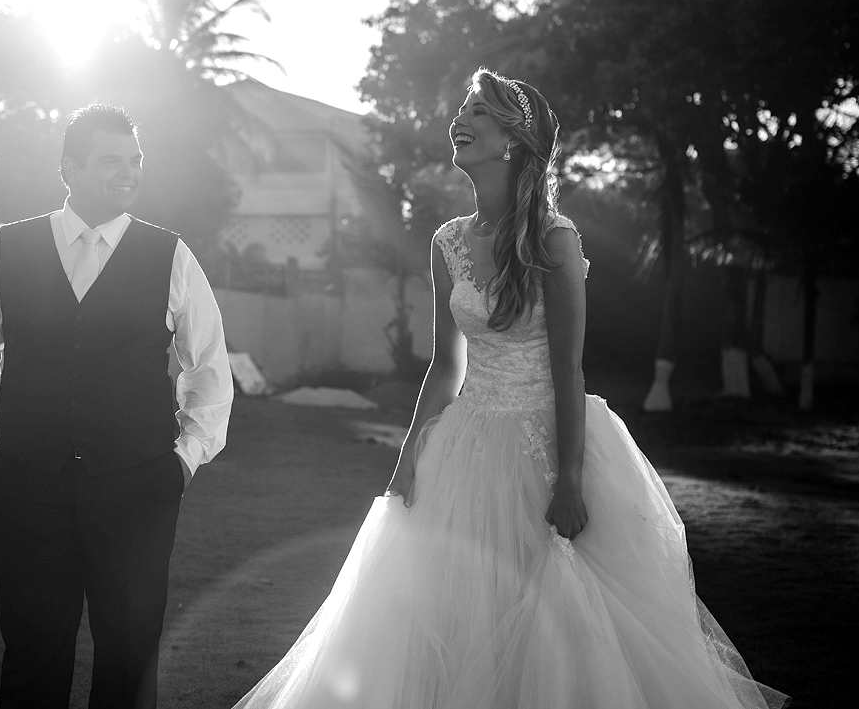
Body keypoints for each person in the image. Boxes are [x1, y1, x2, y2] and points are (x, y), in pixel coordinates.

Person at [231, 69, 789, 709]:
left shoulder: (555, 240)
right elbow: (445, 366)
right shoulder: (448, 243)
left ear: (513, 140)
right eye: (460, 109)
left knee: (551, 626)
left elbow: (567, 370)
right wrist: (409, 456)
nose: (457, 121)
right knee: (445, 620)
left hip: (546, 445)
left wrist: (570, 478)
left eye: (476, 113)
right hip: (464, 446)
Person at [0, 103, 234, 709]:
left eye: (134, 161)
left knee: (129, 660)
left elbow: (209, 368)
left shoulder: (172, 255)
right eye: (111, 162)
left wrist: (182, 461)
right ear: (69, 169)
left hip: (138, 490)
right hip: (26, 488)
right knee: (32, 656)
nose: (128, 174)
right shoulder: (7, 248)